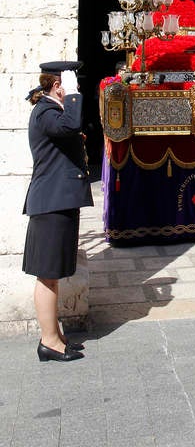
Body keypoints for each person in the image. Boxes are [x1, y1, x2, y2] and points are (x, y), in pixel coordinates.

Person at [22, 61, 93, 362]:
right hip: (51, 203)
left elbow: (67, 135)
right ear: (58, 86)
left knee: (53, 275)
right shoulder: (46, 111)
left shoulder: (51, 111)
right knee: (48, 275)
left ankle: (55, 336)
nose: (74, 91)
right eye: (71, 85)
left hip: (57, 202)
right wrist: (74, 97)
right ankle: (49, 341)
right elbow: (70, 126)